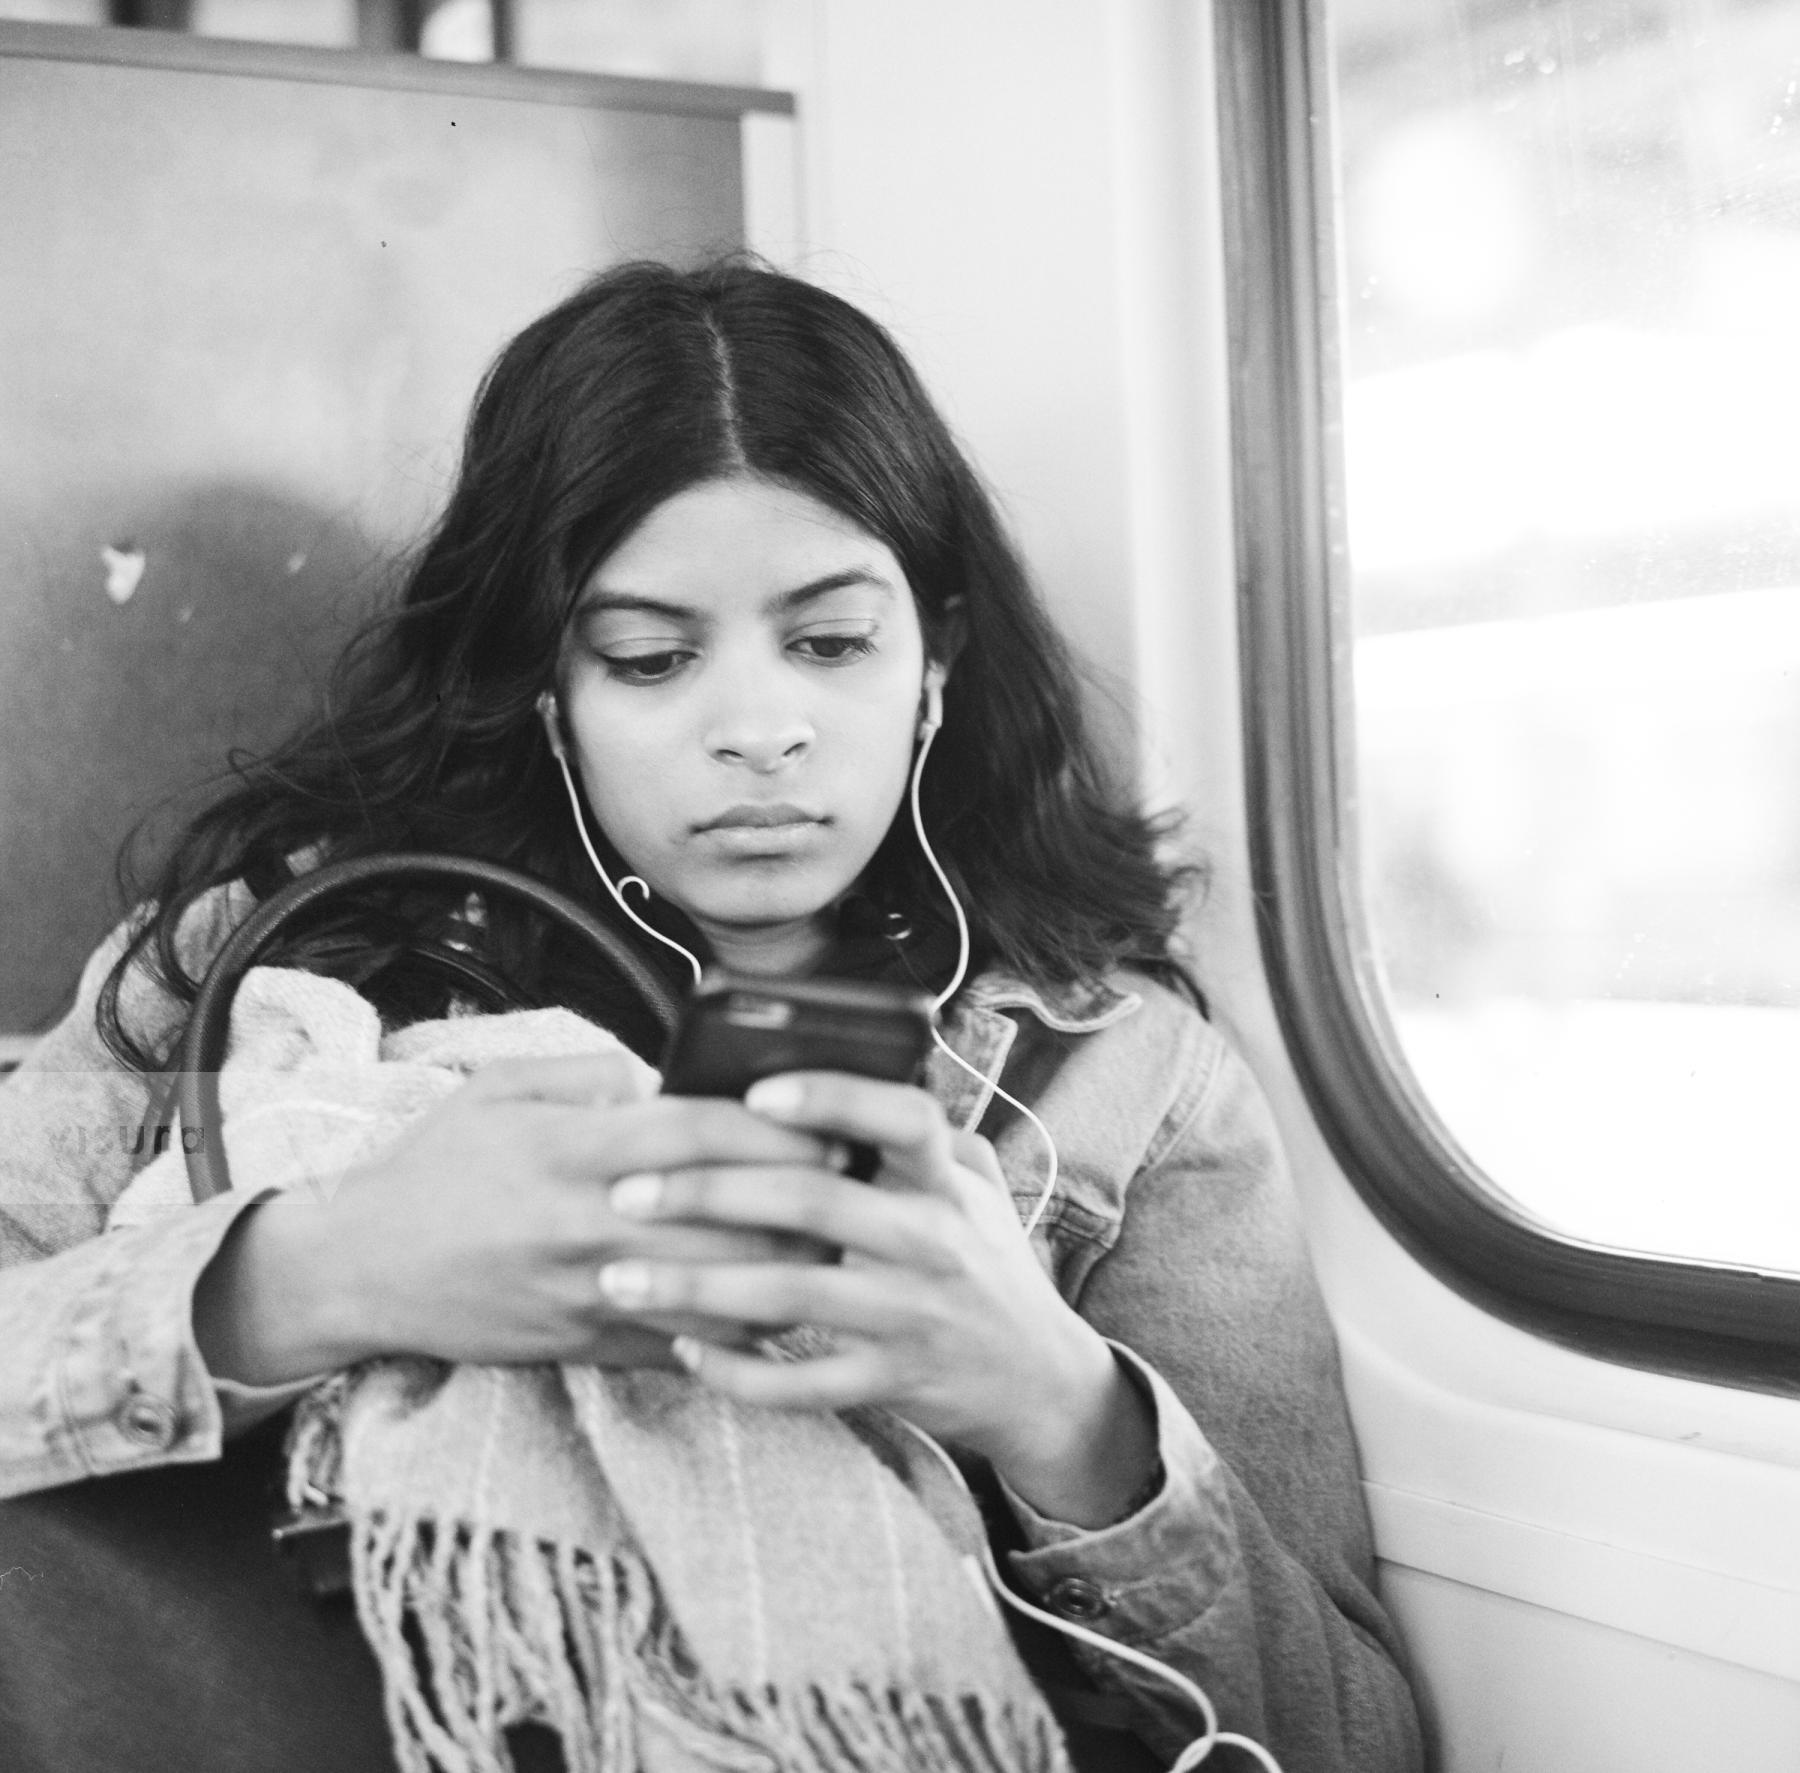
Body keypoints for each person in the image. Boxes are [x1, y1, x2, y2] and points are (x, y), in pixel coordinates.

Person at [0, 259, 1423, 1772]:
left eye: (830, 643)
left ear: (934, 665)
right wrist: (311, 1276)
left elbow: (1348, 1741)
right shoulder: (274, 960)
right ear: (549, 691)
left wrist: (1060, 1411)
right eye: (652, 658)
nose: (759, 729)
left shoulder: (1124, 1081)